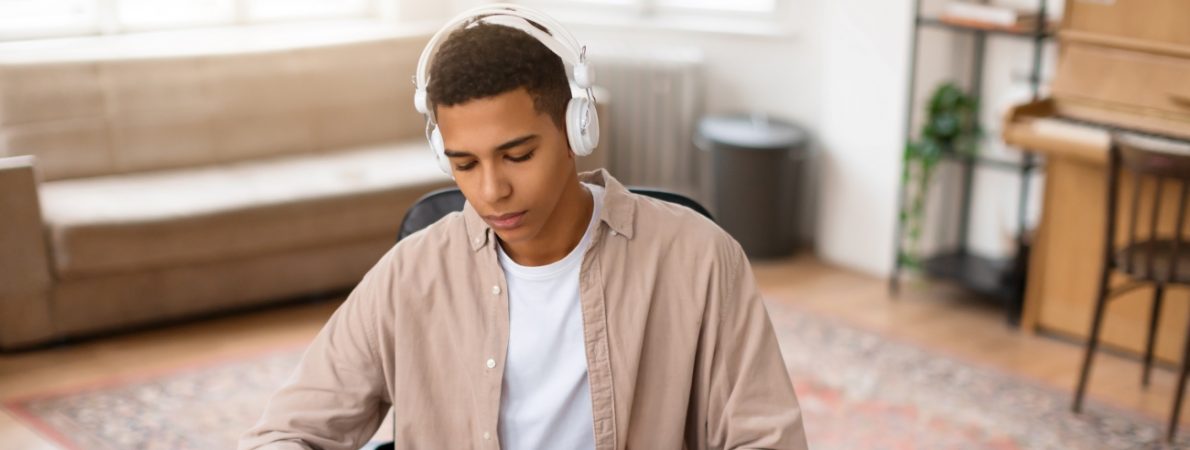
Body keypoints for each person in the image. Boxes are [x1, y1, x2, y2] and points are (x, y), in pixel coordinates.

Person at [239, 5, 806, 450]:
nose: (491, 191)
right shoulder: (410, 276)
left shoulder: (700, 260)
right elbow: (284, 433)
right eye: (464, 164)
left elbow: (767, 439)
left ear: (576, 131)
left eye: (517, 155)